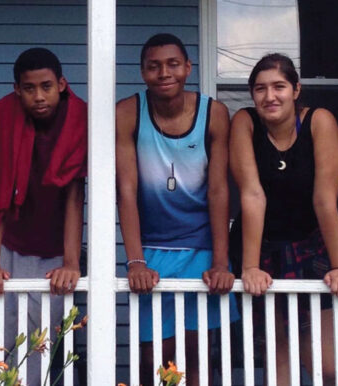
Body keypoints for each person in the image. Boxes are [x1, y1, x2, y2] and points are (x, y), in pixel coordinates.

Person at [116, 33, 235, 386]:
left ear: (188, 67)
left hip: (202, 249)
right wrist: (135, 260)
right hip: (153, 250)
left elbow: (218, 190)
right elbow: (127, 189)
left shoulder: (214, 113)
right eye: (154, 66)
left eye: (172, 64)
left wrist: (220, 260)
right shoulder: (128, 112)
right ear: (142, 72)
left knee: (197, 356)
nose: (164, 73)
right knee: (154, 360)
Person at [230, 53, 338, 385]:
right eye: (260, 89)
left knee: (327, 367)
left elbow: (325, 198)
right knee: (278, 358)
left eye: (279, 86)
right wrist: (250, 266)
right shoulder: (244, 122)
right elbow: (252, 195)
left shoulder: (318, 121)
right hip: (261, 246)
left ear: (296, 89)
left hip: (310, 248)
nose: (269, 96)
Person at [0, 47, 87, 386]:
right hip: (7, 242)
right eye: (29, 88)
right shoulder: (1, 118)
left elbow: (73, 194)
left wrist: (71, 262)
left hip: (53, 250)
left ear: (62, 84)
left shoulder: (79, 119)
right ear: (16, 89)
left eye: (46, 86)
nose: (38, 96)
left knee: (39, 343)